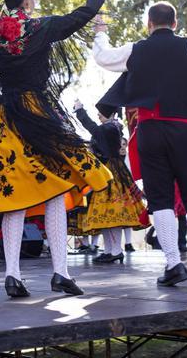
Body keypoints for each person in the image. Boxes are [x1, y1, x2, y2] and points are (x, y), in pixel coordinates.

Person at [0, 0, 114, 298]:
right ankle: (61, 272)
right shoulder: (41, 27)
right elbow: (83, 14)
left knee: (13, 197)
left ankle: (13, 274)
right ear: (27, 1)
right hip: (38, 115)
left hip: (6, 121)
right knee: (56, 189)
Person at [93, 1, 187, 286]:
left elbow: (103, 57)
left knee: (161, 199)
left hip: (150, 131)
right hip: (186, 130)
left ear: (149, 24)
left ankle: (174, 264)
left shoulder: (135, 50)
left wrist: (100, 32)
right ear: (175, 23)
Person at [72, 98, 147, 263]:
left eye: (101, 112)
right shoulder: (111, 127)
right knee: (105, 215)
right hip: (107, 171)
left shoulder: (110, 128)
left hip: (111, 174)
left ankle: (115, 251)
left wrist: (80, 111)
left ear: (110, 113)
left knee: (110, 213)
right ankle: (110, 250)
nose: (98, 115)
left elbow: (93, 129)